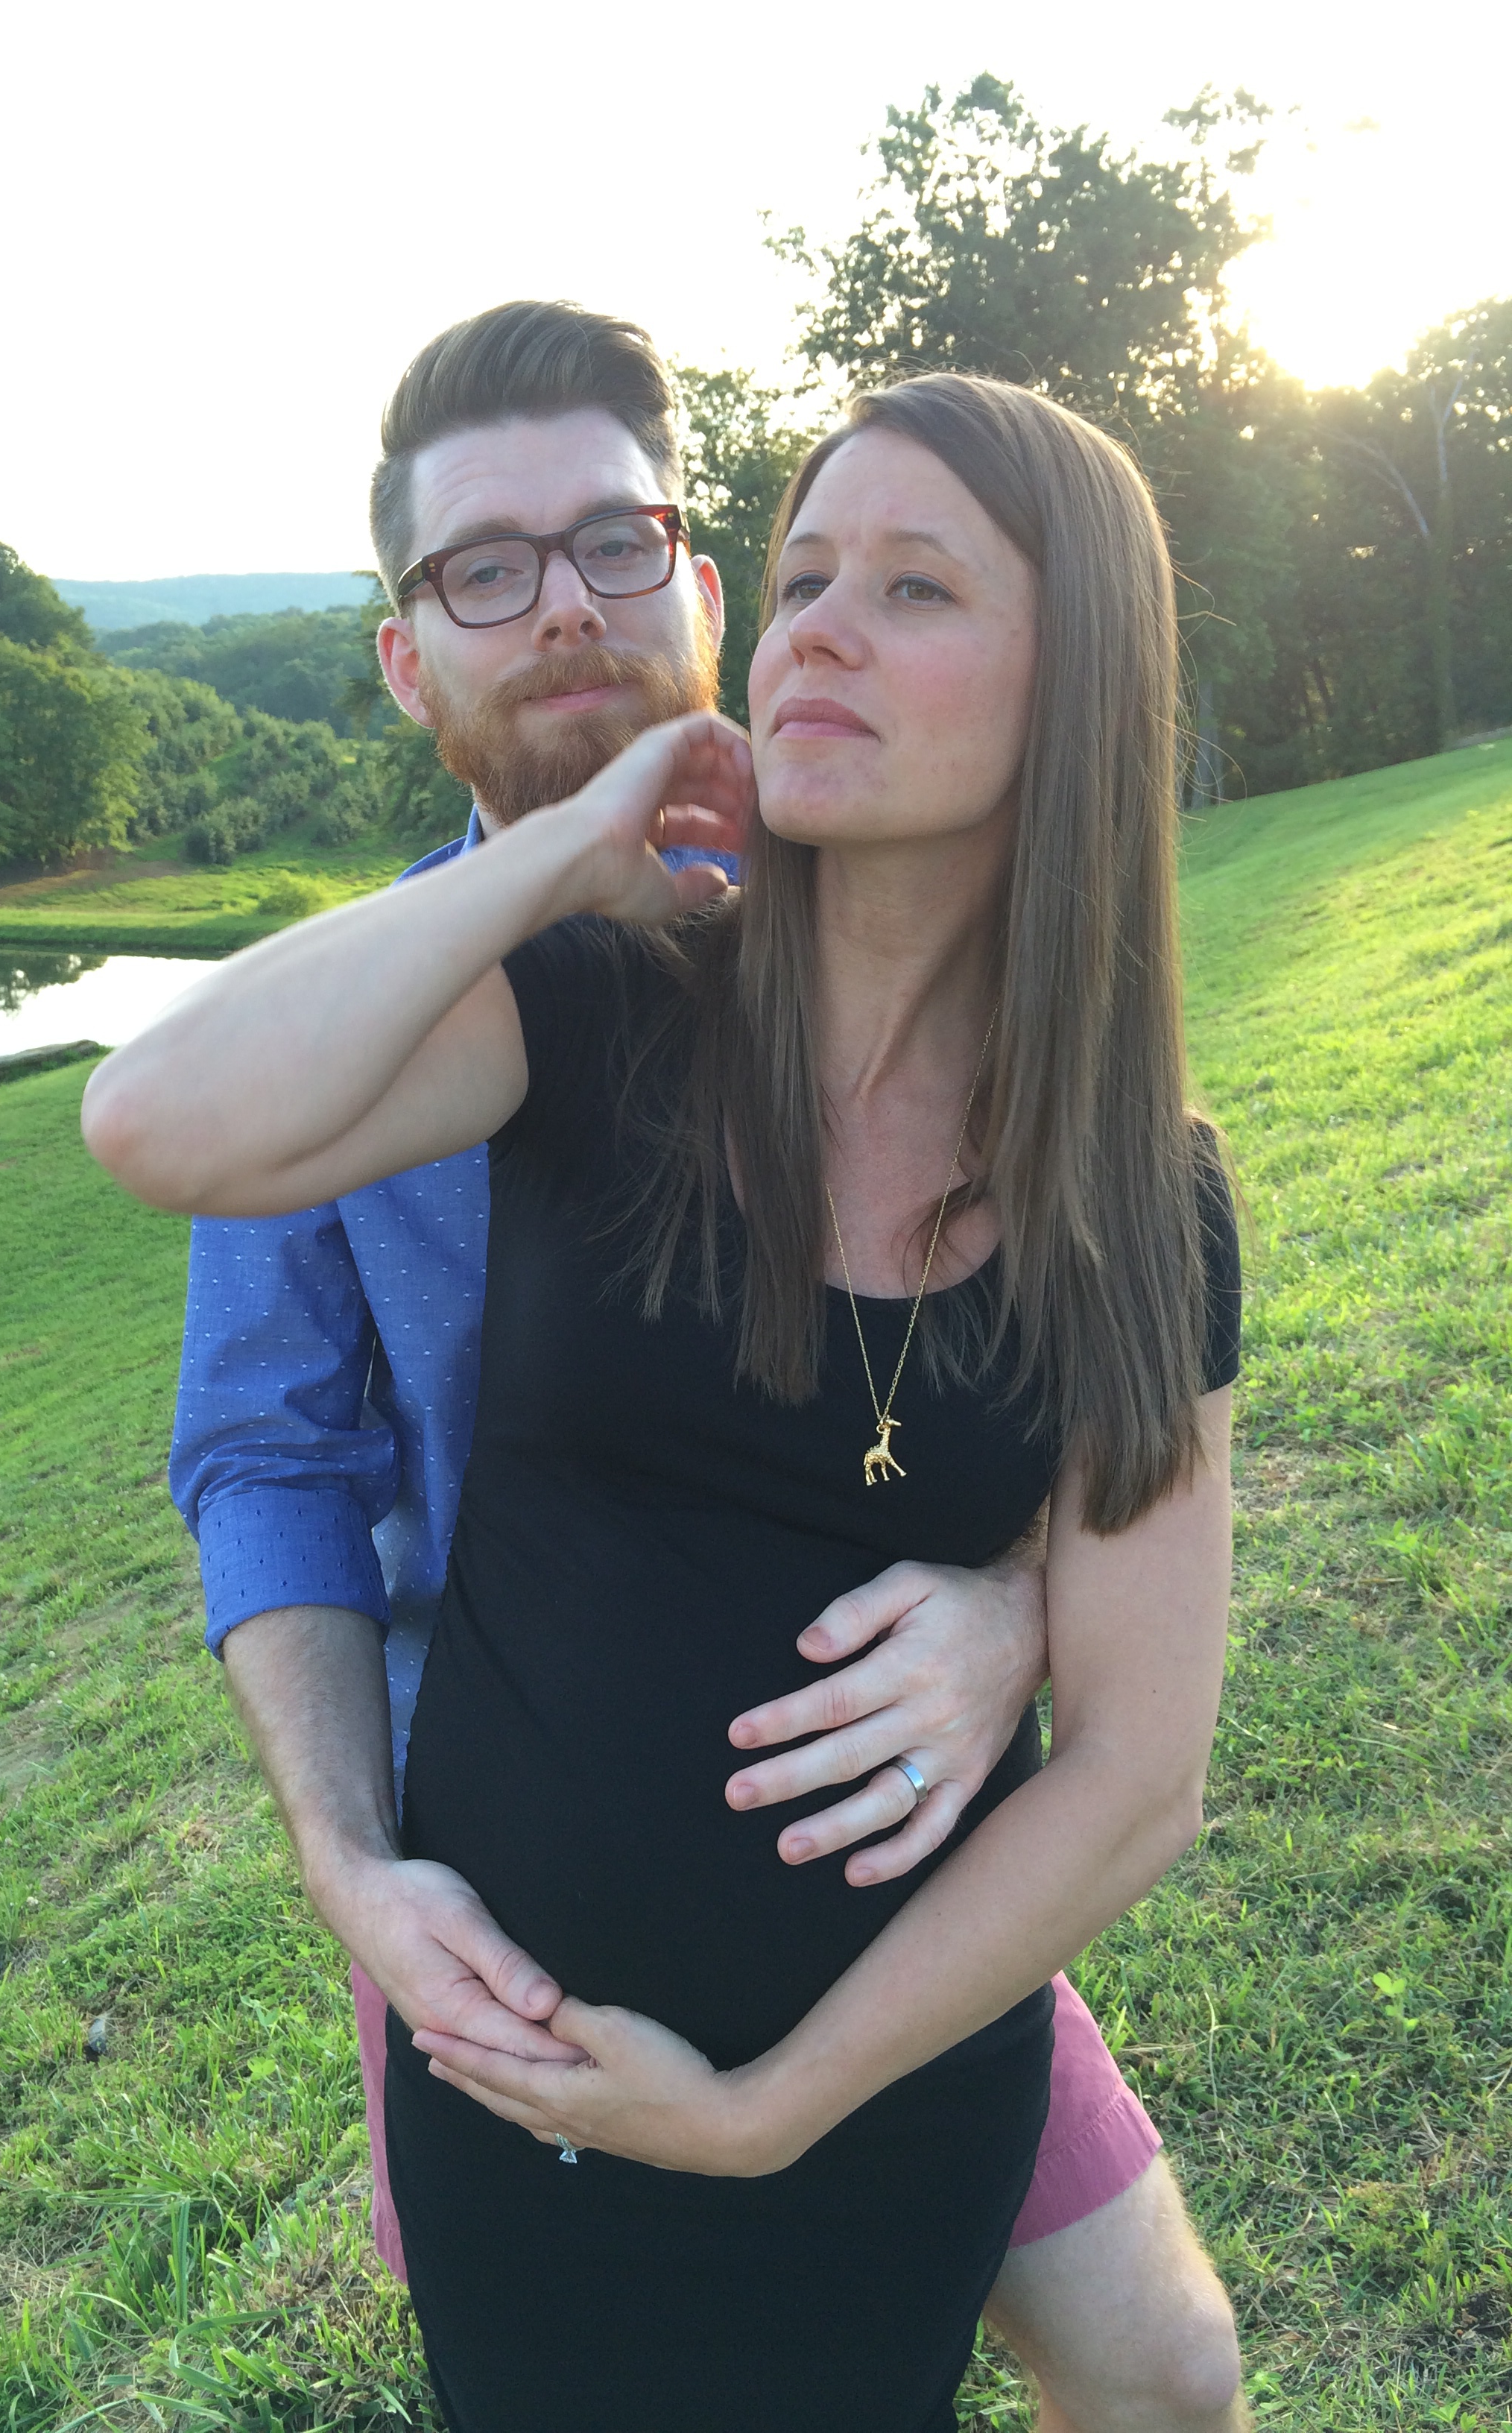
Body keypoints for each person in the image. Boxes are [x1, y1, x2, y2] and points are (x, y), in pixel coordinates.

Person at [91, 351, 1245, 2430]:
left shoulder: (1131, 1181)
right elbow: (187, 1223)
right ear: (404, 654)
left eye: (616, 544)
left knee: (1165, 2374)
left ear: (685, 588)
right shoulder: (549, 1000)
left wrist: (1021, 1603)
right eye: (487, 568)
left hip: (902, 1997)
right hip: (511, 1929)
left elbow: (1131, 1731)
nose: (564, 607)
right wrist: (553, 864)